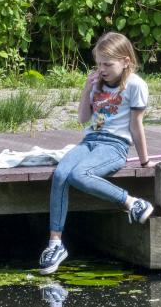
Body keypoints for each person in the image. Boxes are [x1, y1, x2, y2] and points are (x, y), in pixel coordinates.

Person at [39, 32, 152, 274]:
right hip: (90, 140)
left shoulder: (136, 85)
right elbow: (83, 119)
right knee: (61, 174)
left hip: (115, 145)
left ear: (126, 61)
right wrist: (85, 90)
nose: (102, 69)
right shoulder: (97, 82)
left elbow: (136, 125)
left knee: (80, 175)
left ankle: (133, 202)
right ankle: (55, 243)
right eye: (99, 63)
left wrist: (145, 161)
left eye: (107, 64)